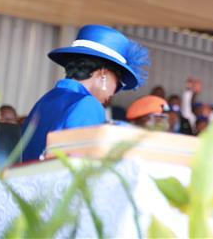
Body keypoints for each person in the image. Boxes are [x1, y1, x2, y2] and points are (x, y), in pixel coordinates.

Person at [21, 25, 150, 161]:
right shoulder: (88, 104)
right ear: (103, 73)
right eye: (118, 82)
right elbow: (82, 166)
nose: (116, 91)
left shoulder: (46, 99)